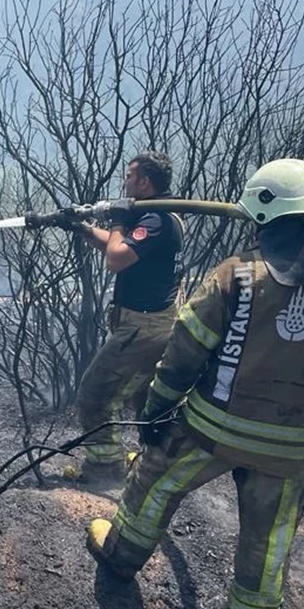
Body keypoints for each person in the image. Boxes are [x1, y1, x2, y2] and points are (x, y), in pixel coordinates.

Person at [85, 158, 304, 609]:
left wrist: (158, 408)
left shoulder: (239, 275)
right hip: (296, 446)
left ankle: (121, 555)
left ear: (264, 218)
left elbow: (187, 346)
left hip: (215, 428)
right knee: (268, 542)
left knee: (155, 482)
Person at [68, 150, 185, 483]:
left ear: (145, 182)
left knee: (96, 395)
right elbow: (122, 246)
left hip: (143, 327)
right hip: (149, 324)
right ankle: (152, 469)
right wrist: (84, 229)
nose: (126, 181)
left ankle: (105, 469)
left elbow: (116, 258)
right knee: (145, 400)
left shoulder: (157, 221)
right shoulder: (157, 217)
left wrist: (118, 220)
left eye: (130, 176)